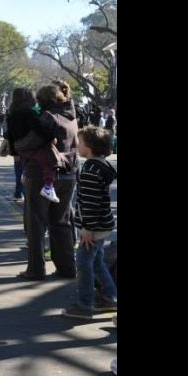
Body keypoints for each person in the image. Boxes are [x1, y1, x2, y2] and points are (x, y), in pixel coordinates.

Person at [17, 81, 78, 281]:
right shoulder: (71, 116)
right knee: (61, 222)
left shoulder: (47, 118)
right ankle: (67, 267)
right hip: (68, 174)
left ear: (43, 101)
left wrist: (17, 144)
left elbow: (30, 142)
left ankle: (36, 269)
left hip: (43, 175)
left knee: (36, 223)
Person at [62, 126, 117, 319]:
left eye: (81, 142)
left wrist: (87, 229)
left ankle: (84, 305)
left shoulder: (90, 170)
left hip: (92, 227)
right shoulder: (102, 165)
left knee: (84, 263)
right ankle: (110, 297)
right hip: (102, 224)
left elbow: (90, 202)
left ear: (91, 147)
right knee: (97, 262)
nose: (77, 145)